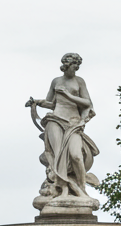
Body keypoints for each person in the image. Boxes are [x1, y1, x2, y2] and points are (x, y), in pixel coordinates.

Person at [27, 52, 98, 200]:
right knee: (58, 154)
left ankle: (82, 190)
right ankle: (62, 188)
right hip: (55, 119)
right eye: (74, 66)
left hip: (73, 122)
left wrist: (68, 96)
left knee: (76, 156)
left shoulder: (79, 81)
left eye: (77, 66)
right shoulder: (56, 81)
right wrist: (37, 102)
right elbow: (51, 103)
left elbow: (87, 103)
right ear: (66, 66)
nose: (76, 69)